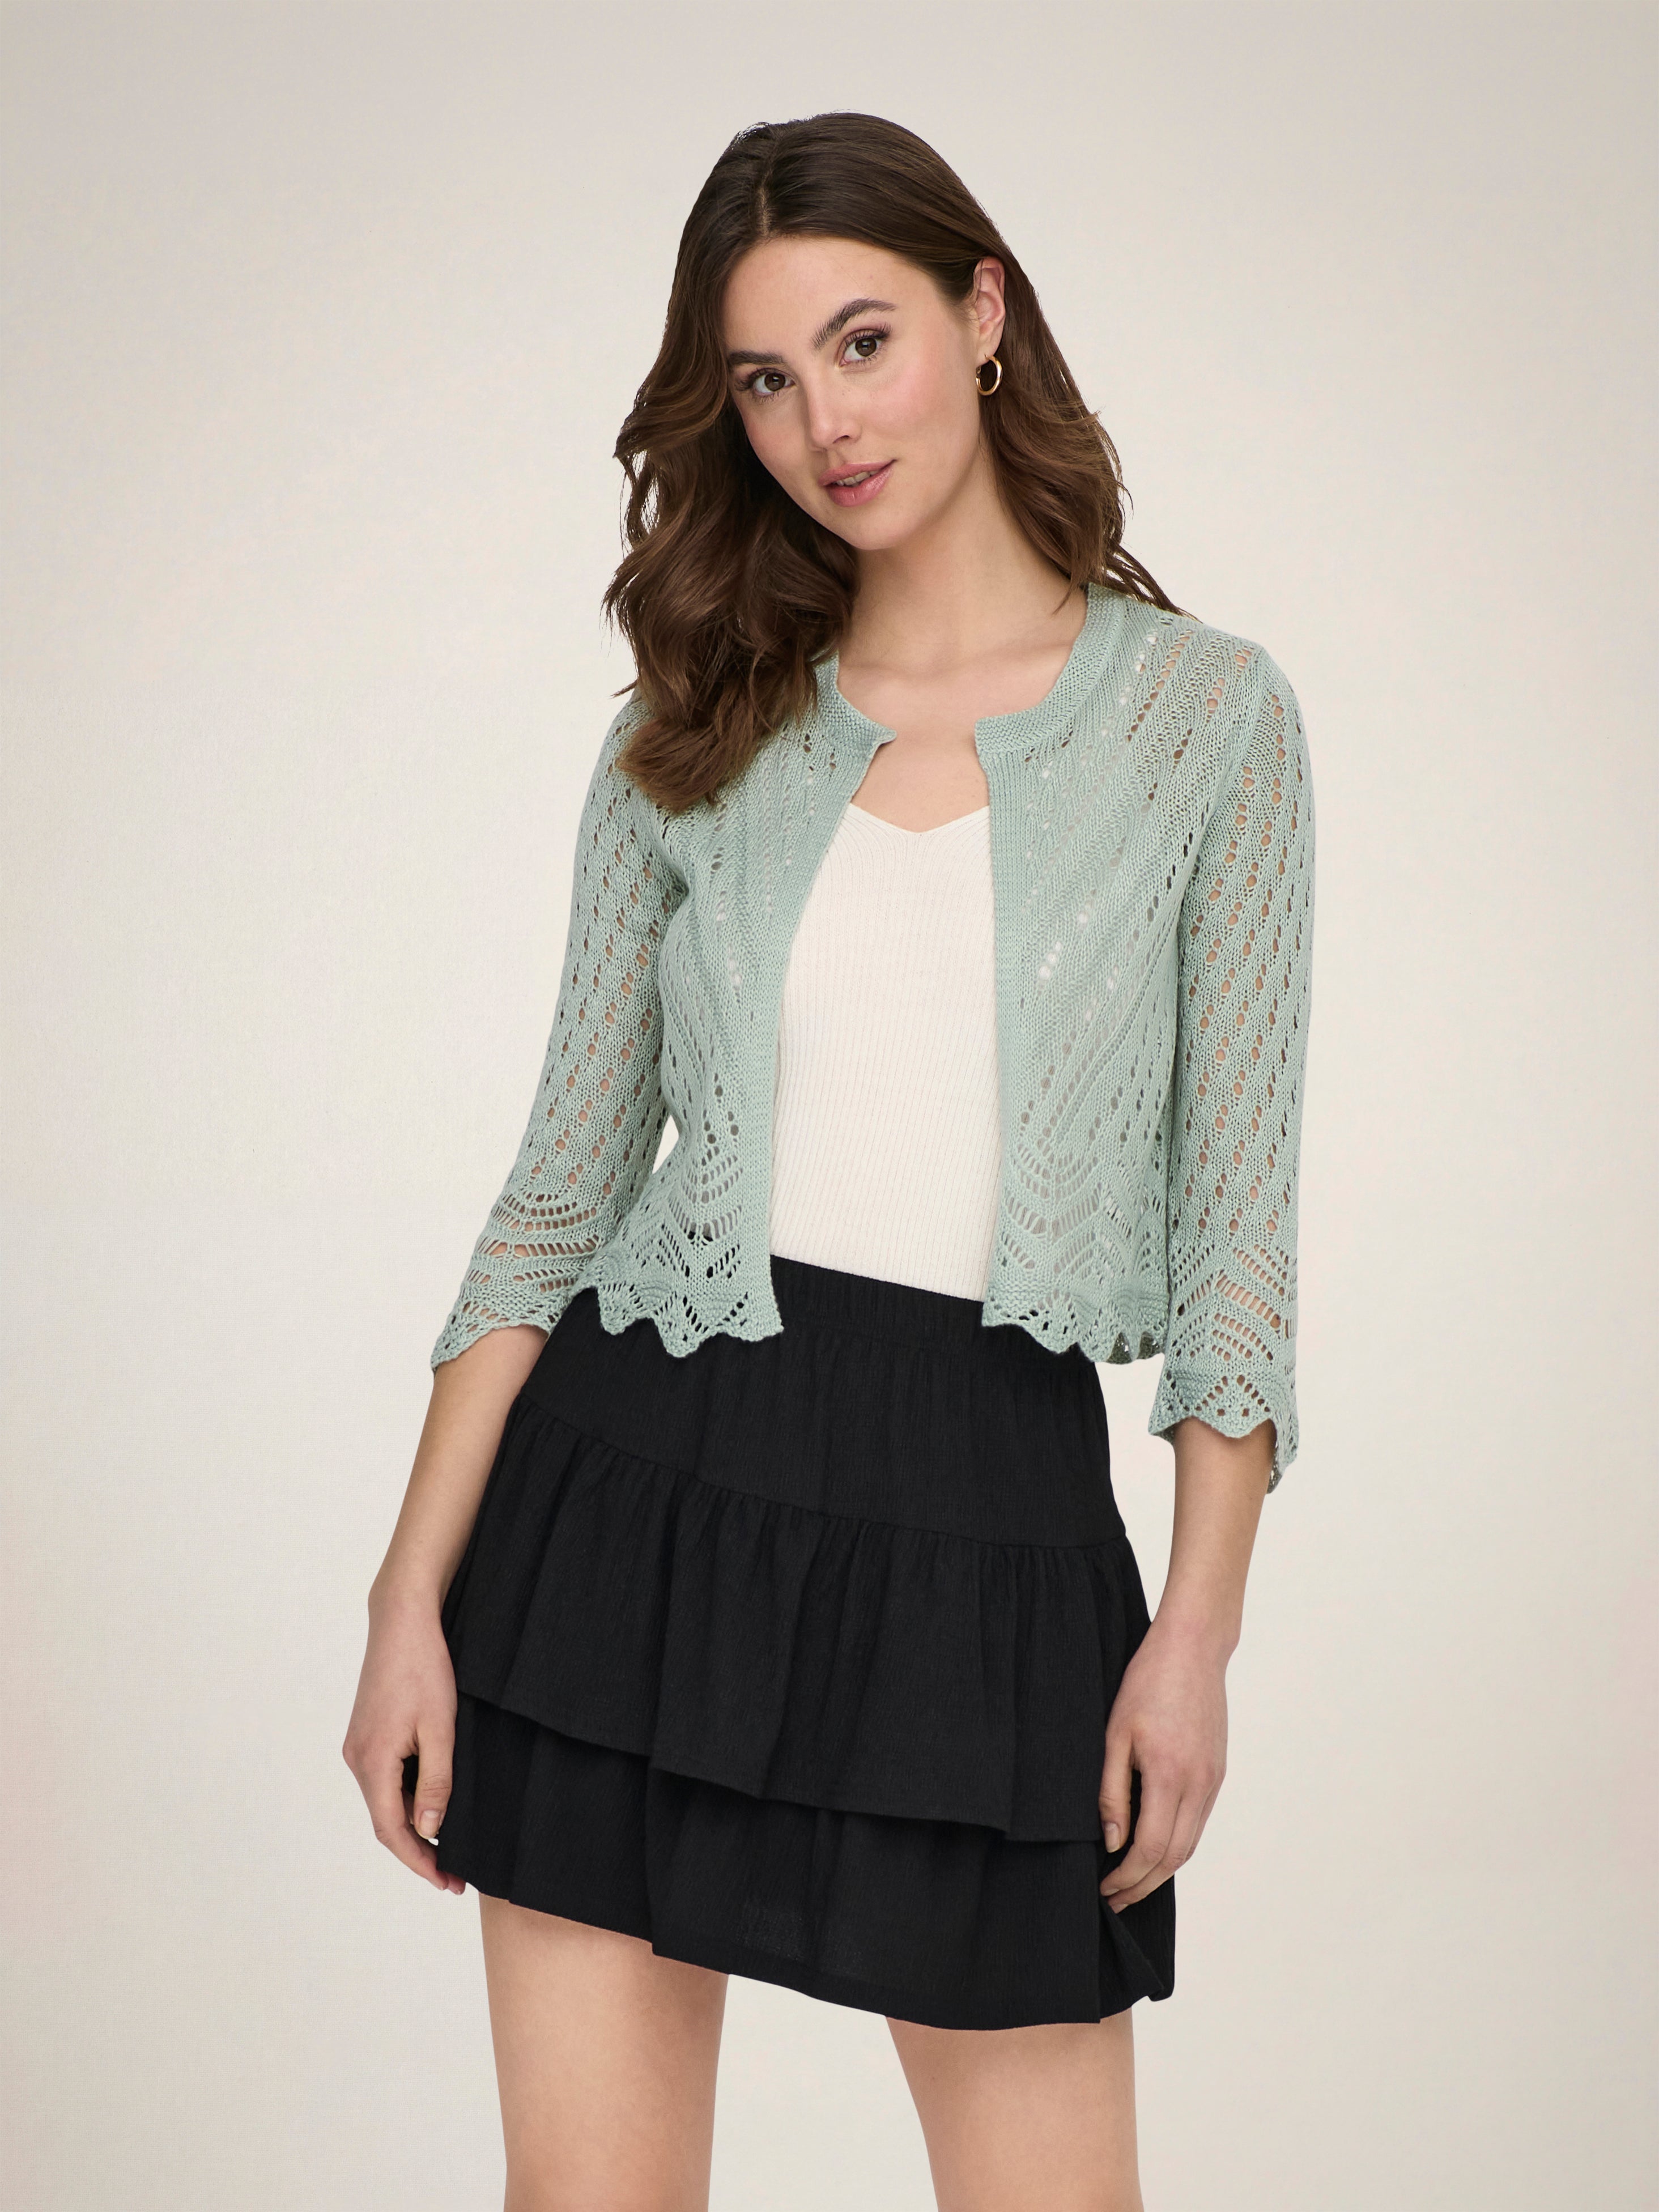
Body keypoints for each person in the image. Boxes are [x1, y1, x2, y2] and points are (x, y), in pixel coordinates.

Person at [344, 109, 1316, 2212]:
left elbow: (1240, 1247)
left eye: (862, 343)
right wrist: (406, 1600)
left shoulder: (1207, 724)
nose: (823, 426)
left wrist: (1197, 1639)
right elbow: (555, 1195)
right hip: (634, 1506)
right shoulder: (696, 727)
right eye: (767, 382)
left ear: (985, 313)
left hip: (990, 1543)